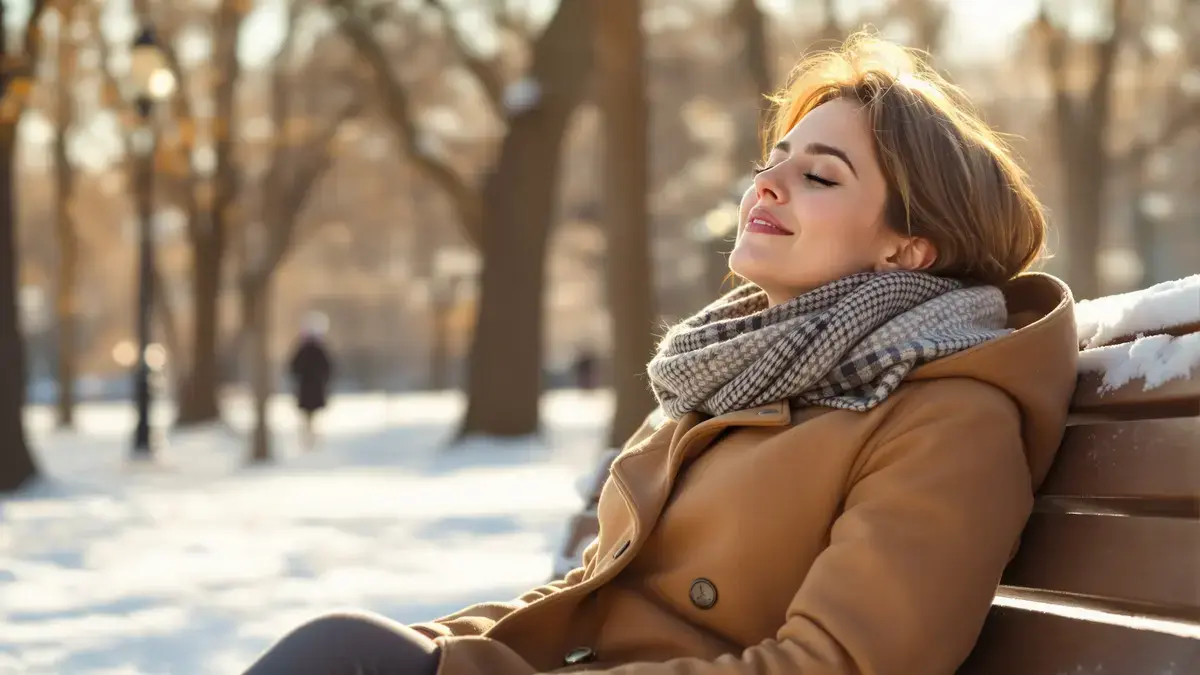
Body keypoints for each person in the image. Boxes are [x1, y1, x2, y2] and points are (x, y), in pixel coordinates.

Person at [241, 34, 1079, 675]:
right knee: (343, 652)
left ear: (910, 247)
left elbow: (836, 666)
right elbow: (594, 596)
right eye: (770, 163)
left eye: (819, 177)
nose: (767, 186)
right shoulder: (739, 370)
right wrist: (437, 652)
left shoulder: (949, 417)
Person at [287, 313, 334, 451]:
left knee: (309, 416)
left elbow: (293, 367)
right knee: (311, 416)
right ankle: (310, 436)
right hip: (312, 388)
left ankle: (310, 436)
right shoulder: (317, 349)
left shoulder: (306, 349)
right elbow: (328, 368)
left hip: (308, 387)